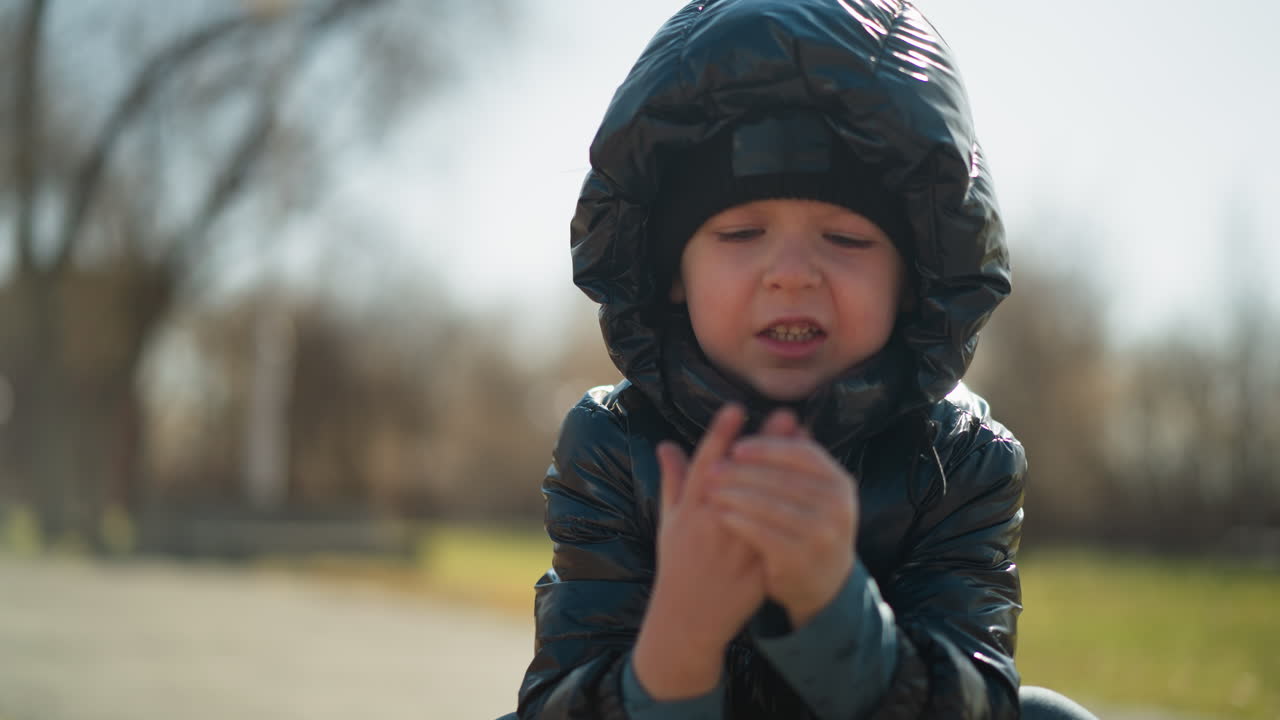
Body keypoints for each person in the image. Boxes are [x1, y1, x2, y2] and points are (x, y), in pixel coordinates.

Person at [509, 1, 1098, 718]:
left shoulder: (960, 460)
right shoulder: (613, 446)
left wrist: (831, 606)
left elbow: (972, 696)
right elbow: (558, 694)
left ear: (913, 278)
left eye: (847, 240)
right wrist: (679, 639)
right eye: (741, 232)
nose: (792, 273)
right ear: (671, 273)